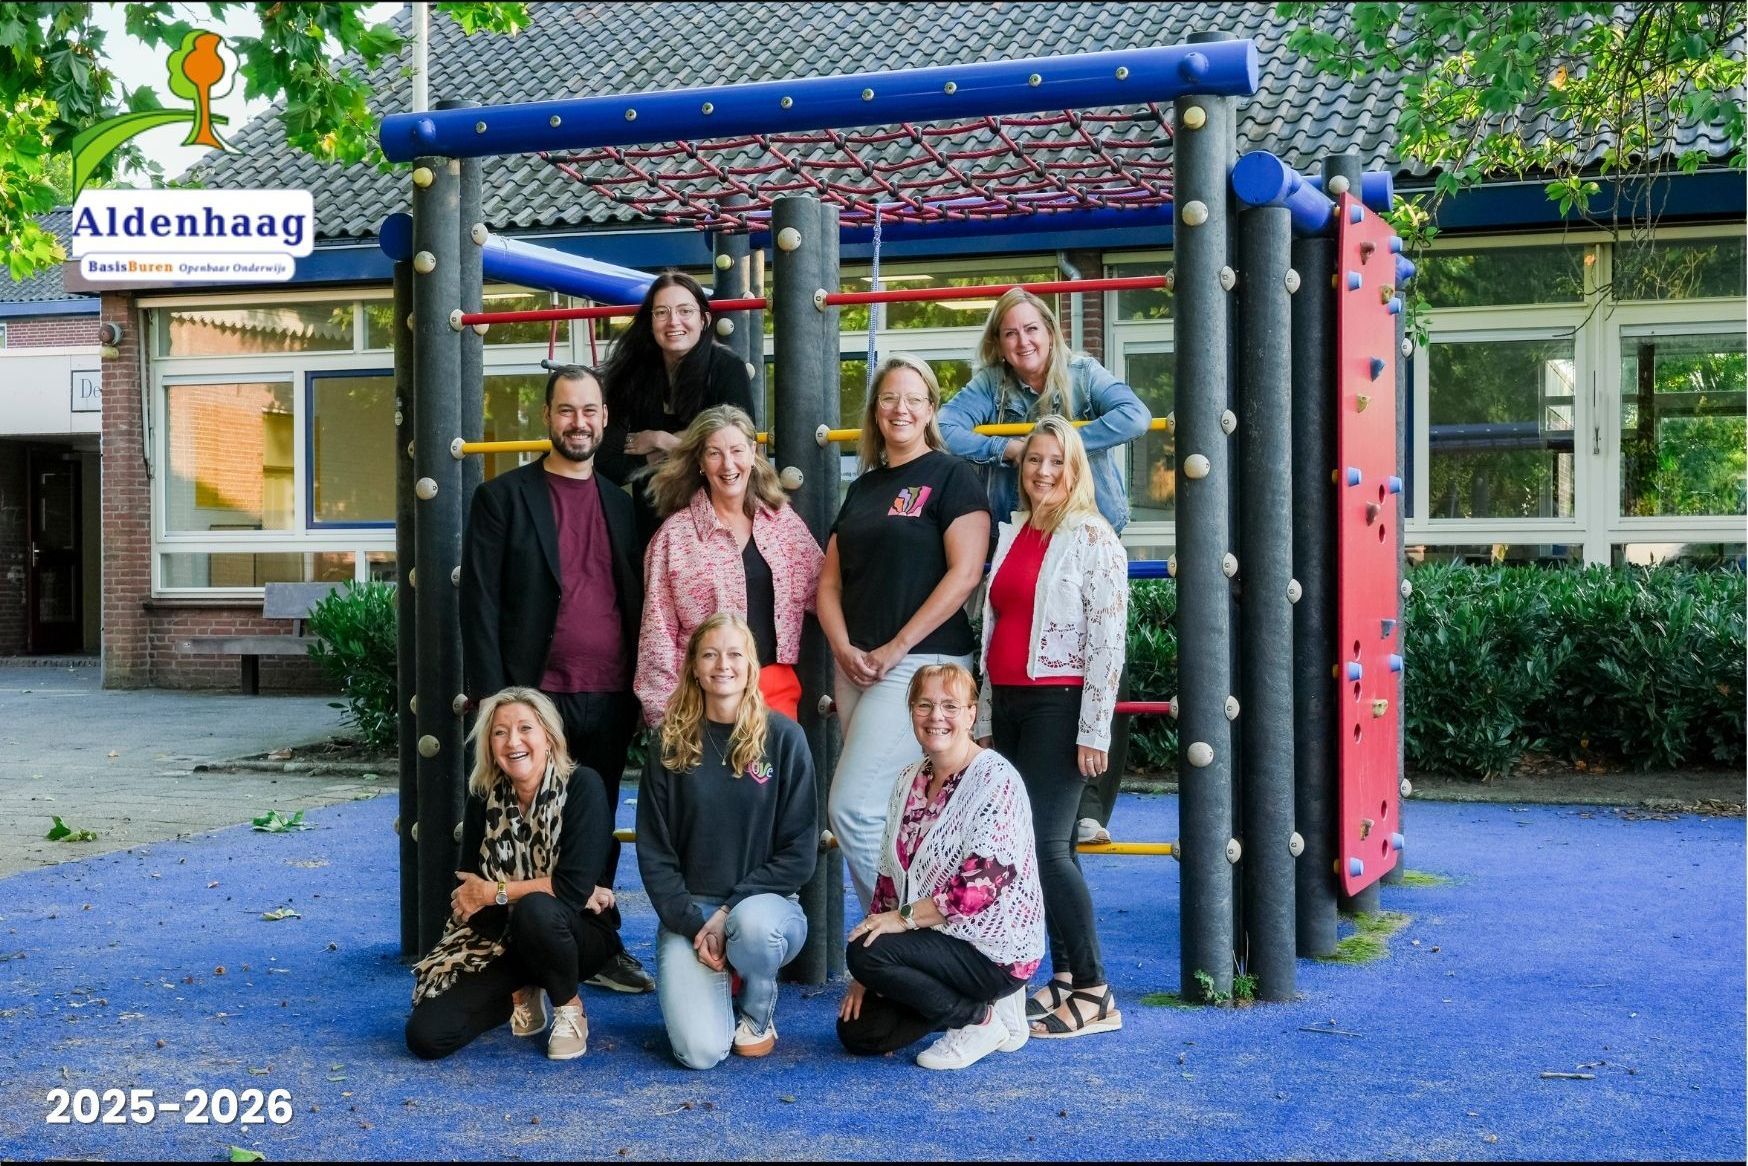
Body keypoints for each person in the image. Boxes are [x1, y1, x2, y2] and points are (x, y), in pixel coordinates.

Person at [459, 364, 654, 995]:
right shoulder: (504, 498)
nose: (580, 422)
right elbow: (481, 604)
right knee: (522, 819)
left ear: (604, 419)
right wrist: (495, 702)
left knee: (595, 827)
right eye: (567, 410)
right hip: (534, 697)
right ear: (548, 418)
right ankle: (515, 942)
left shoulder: (624, 507)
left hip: (611, 691)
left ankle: (596, 942)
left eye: (590, 411)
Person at [938, 287, 1151, 846]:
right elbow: (947, 426)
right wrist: (1012, 450)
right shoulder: (993, 385)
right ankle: (1024, 796)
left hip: (1084, 522)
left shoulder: (1080, 373)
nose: (1022, 341)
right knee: (1018, 642)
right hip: (1025, 528)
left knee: (1101, 654)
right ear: (999, 344)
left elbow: (1135, 414)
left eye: (1032, 330)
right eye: (1010, 333)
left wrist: (1063, 447)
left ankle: (1090, 806)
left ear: (1051, 334)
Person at [817, 354, 991, 911]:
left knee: (850, 808)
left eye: (914, 398)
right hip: (858, 668)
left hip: (922, 666)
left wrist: (896, 647)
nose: (901, 408)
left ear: (931, 409)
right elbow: (829, 585)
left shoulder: (951, 475)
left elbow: (964, 576)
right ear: (875, 410)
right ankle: (897, 955)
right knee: (890, 810)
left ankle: (904, 933)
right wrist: (844, 648)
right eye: (890, 397)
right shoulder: (863, 487)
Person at [974, 416, 1127, 1039]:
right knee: (1036, 851)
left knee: (1048, 849)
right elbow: (992, 630)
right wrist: (984, 716)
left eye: (1055, 462)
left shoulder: (1092, 537)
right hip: (1008, 704)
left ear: (1075, 470)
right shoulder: (1015, 534)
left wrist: (1094, 729)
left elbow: (1107, 642)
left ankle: (1094, 991)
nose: (1042, 471)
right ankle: (1063, 978)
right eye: (1033, 459)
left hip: (1058, 707)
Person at [835, 663, 1043, 1071]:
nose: (936, 717)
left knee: (864, 953)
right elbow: (887, 883)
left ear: (970, 713)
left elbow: (980, 887)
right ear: (911, 711)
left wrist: (900, 922)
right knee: (860, 1033)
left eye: (950, 705)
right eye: (925, 705)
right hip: (936, 943)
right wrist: (868, 976)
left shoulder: (996, 779)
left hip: (993, 951)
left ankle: (978, 1019)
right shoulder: (906, 780)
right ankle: (979, 1007)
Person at [636, 614, 818, 1069]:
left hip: (766, 907)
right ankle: (715, 999)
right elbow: (655, 855)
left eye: (735, 653)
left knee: (752, 928)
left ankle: (757, 1014)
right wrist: (696, 924)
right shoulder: (668, 745)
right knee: (700, 1054)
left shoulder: (784, 738)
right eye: (710, 654)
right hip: (690, 912)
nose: (723, 665)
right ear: (694, 666)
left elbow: (799, 852)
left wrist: (727, 912)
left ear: (752, 665)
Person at [405, 688, 622, 1061]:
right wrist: (556, 889)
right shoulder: (484, 796)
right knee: (426, 1036)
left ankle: (569, 1007)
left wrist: (496, 892)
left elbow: (566, 892)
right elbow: (468, 890)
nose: (513, 741)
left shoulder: (582, 785)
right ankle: (520, 991)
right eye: (500, 732)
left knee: (537, 910)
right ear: (489, 744)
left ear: (549, 737)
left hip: (577, 936)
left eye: (525, 728)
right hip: (503, 940)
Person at [635, 405, 822, 725]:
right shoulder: (674, 537)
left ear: (753, 453)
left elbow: (826, 591)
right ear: (699, 463)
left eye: (737, 450)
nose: (728, 464)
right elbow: (657, 635)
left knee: (774, 775)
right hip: (700, 696)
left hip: (774, 692)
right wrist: (662, 719)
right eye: (714, 453)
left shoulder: (782, 524)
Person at [598, 271, 758, 548]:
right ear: (650, 322)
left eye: (685, 311)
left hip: (718, 521)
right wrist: (658, 457)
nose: (674, 322)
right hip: (653, 522)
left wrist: (663, 440)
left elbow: (738, 445)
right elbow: (607, 463)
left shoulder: (725, 367)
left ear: (703, 319)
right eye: (662, 312)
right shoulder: (632, 374)